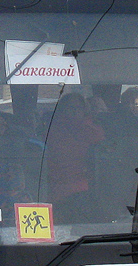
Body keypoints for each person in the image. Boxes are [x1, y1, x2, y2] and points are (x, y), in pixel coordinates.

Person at [44, 92, 105, 222]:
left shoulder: (93, 129)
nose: (75, 111)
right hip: (57, 191)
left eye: (78, 108)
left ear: (85, 110)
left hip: (85, 190)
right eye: (71, 108)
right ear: (63, 110)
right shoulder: (52, 130)